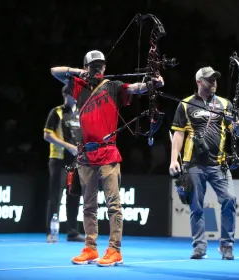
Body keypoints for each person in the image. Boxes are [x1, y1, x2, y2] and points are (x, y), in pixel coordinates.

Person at [50, 50, 164, 267]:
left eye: (100, 65)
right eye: (93, 66)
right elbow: (54, 71)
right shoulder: (78, 86)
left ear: (105, 67)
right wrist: (78, 73)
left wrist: (153, 83)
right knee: (89, 206)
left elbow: (136, 88)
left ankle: (114, 249)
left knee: (113, 203)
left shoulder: (114, 86)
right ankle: (90, 248)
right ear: (85, 67)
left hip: (107, 152)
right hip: (85, 155)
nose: (98, 69)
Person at [169, 66, 239, 260]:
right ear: (199, 82)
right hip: (193, 164)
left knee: (229, 199)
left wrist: (236, 129)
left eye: (215, 79)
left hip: (219, 163)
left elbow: (231, 131)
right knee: (196, 207)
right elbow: (178, 133)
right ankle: (199, 246)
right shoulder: (186, 104)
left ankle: (226, 245)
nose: (214, 82)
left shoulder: (225, 104)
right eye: (209, 79)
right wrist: (174, 159)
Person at [43, 85, 85, 243]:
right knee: (55, 196)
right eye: (73, 95)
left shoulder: (79, 113)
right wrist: (67, 146)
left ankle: (73, 232)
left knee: (73, 195)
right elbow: (47, 135)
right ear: (65, 95)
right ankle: (50, 232)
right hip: (58, 160)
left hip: (74, 161)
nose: (75, 98)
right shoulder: (56, 112)